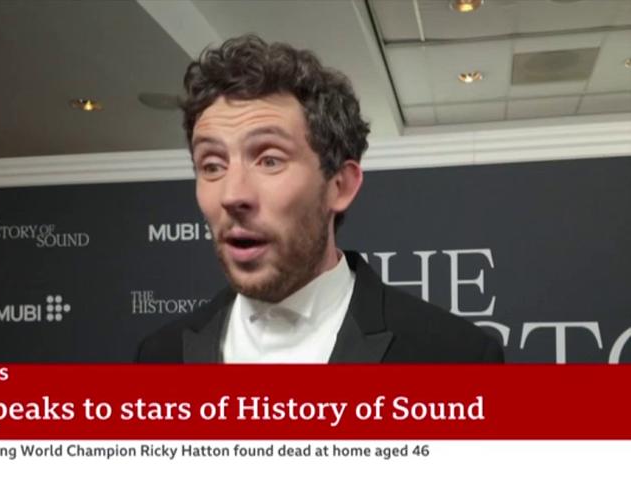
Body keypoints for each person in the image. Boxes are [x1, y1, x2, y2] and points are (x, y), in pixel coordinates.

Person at [137, 35, 504, 363]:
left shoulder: (455, 357)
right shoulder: (160, 356)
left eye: (269, 160)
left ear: (339, 186)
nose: (232, 195)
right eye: (212, 165)